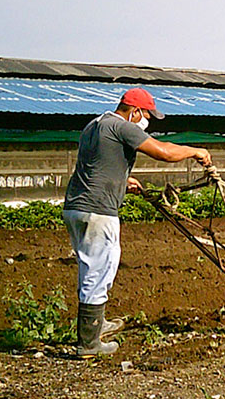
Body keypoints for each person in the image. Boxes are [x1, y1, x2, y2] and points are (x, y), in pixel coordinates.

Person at [63, 87, 211, 357]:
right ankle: (89, 344)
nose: (148, 121)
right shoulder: (123, 126)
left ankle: (96, 326)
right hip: (98, 210)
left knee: (91, 268)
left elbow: (96, 163)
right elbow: (163, 151)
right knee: (100, 269)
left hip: (76, 207)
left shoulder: (94, 125)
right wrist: (195, 151)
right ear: (134, 111)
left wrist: (122, 180)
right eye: (147, 115)